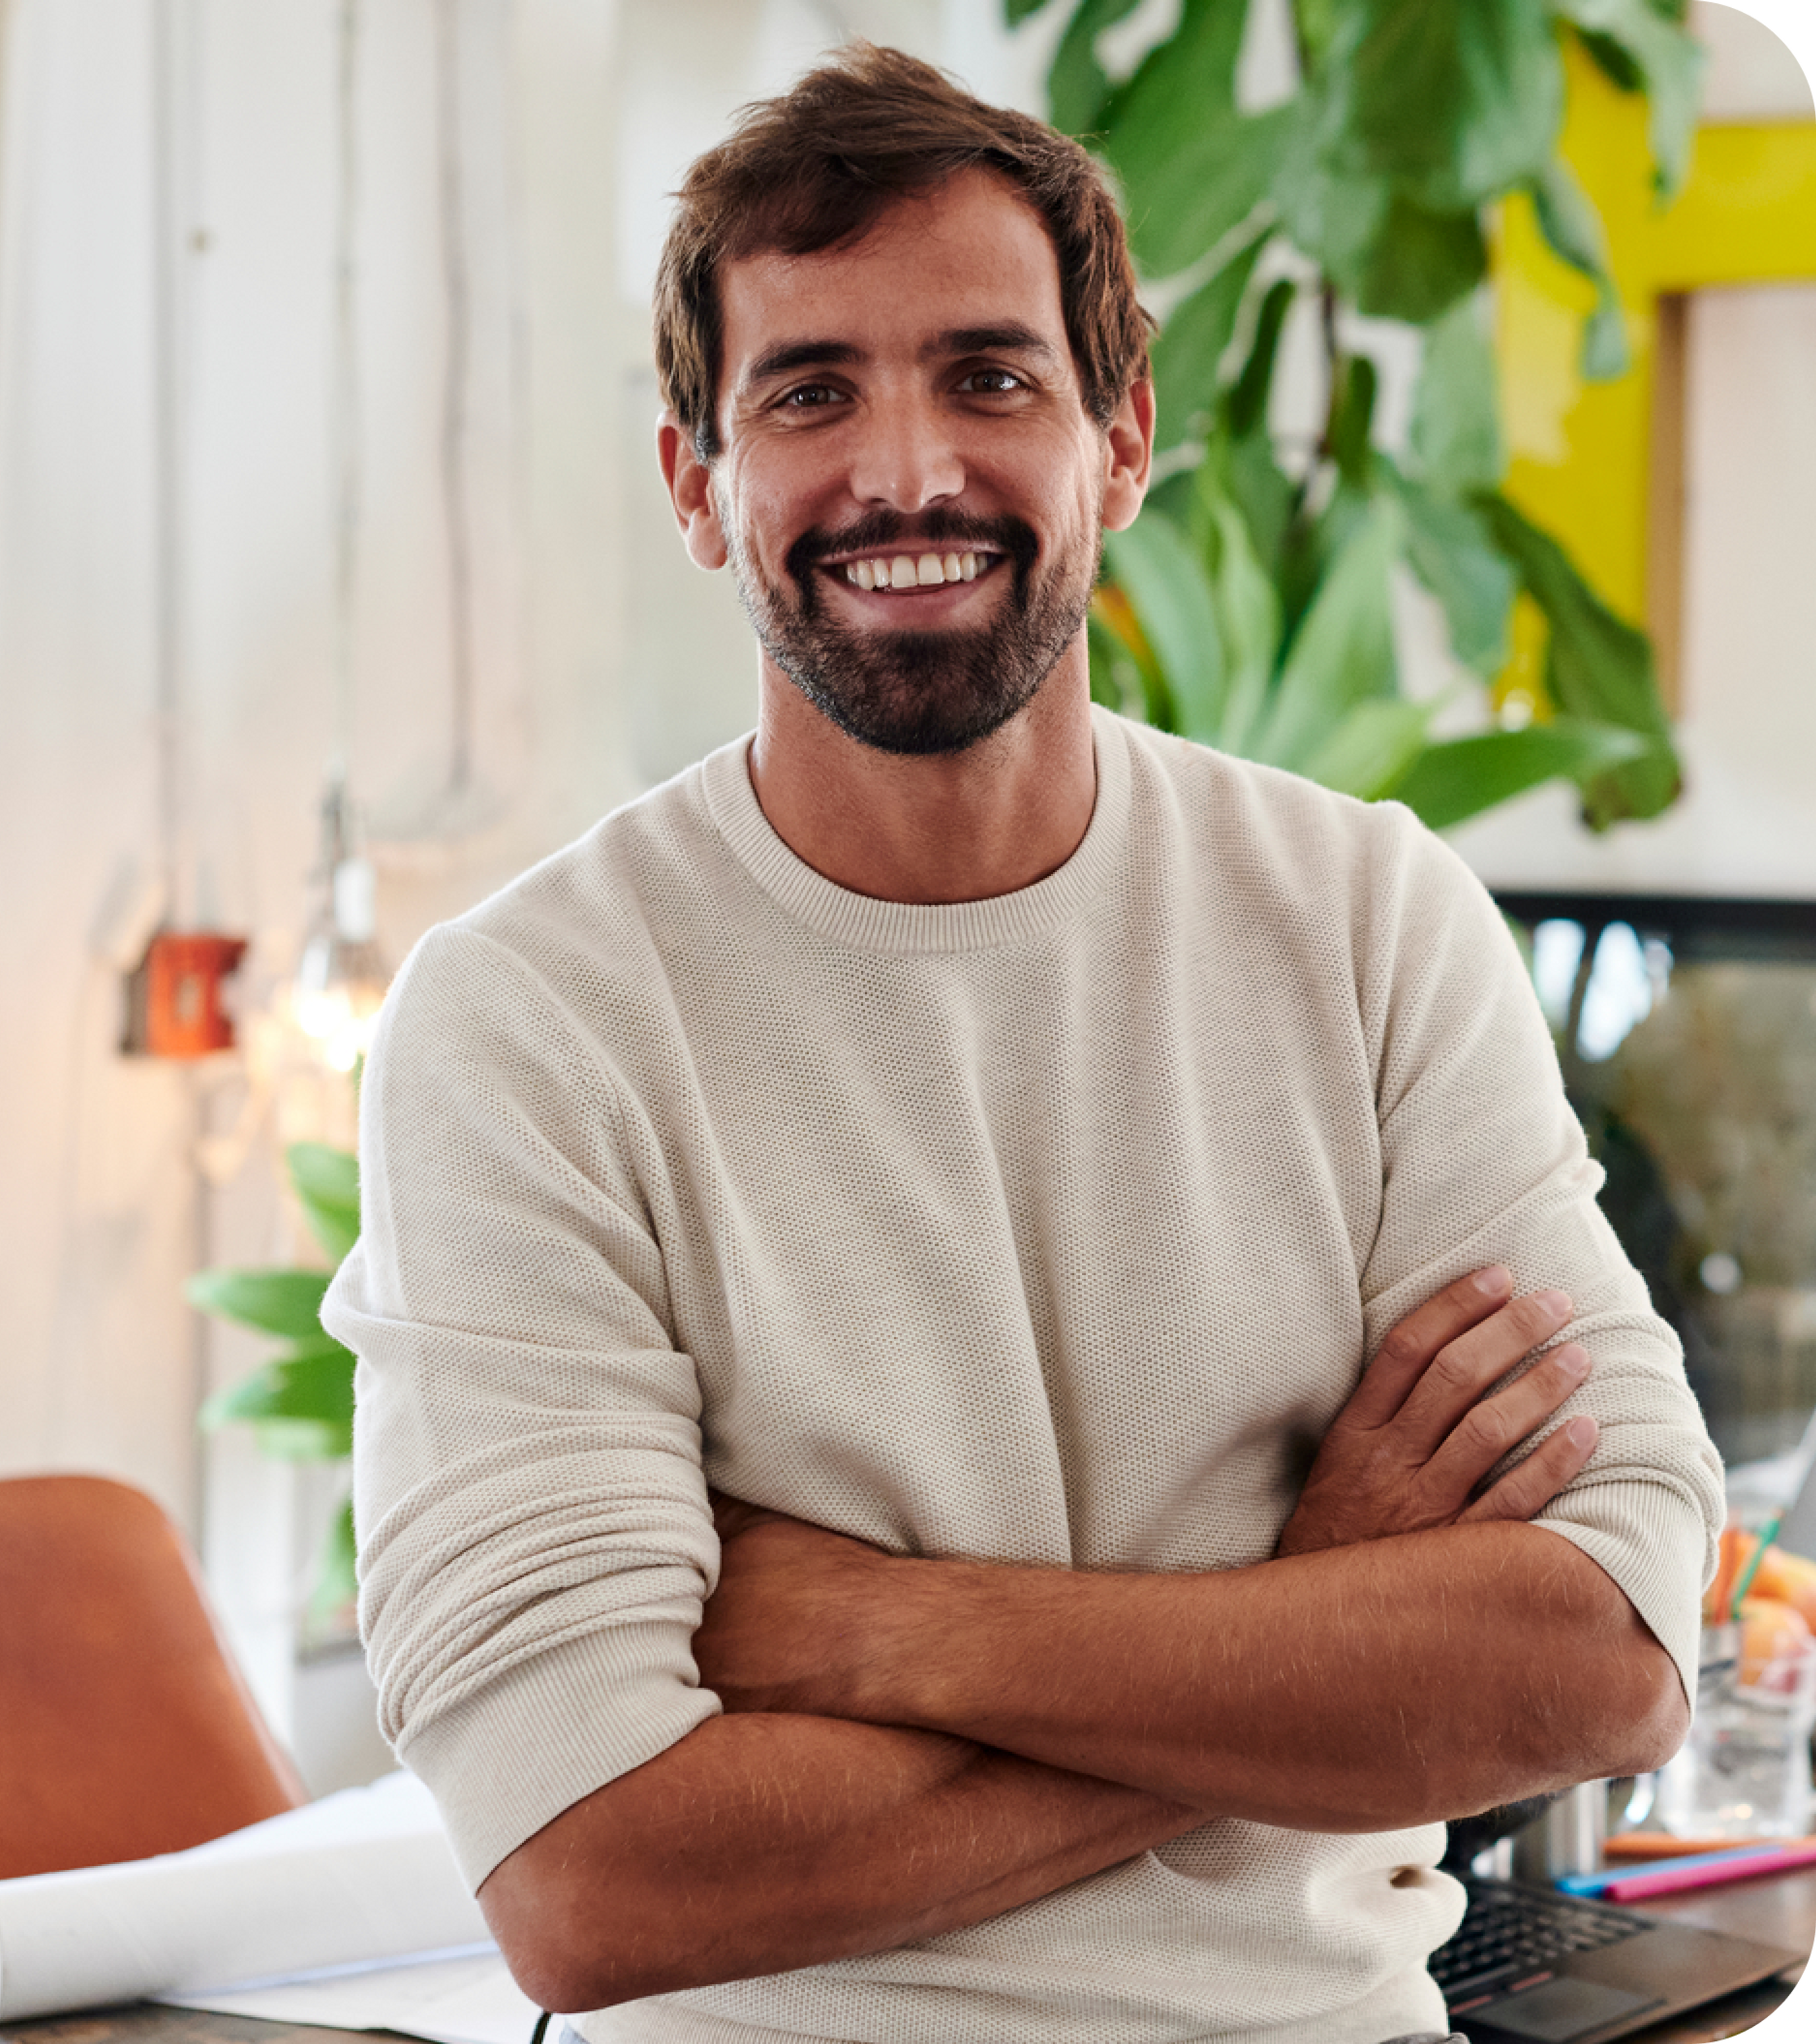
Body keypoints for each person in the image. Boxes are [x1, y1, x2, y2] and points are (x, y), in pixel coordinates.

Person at [322, 44, 1724, 2044]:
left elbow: (1604, 1653)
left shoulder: (1365, 916)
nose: (909, 473)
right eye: (810, 393)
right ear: (698, 488)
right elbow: (588, 1876)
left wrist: (884, 1628)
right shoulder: (524, 1021)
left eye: (992, 377)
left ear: (1121, 440)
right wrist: (1298, 1608)